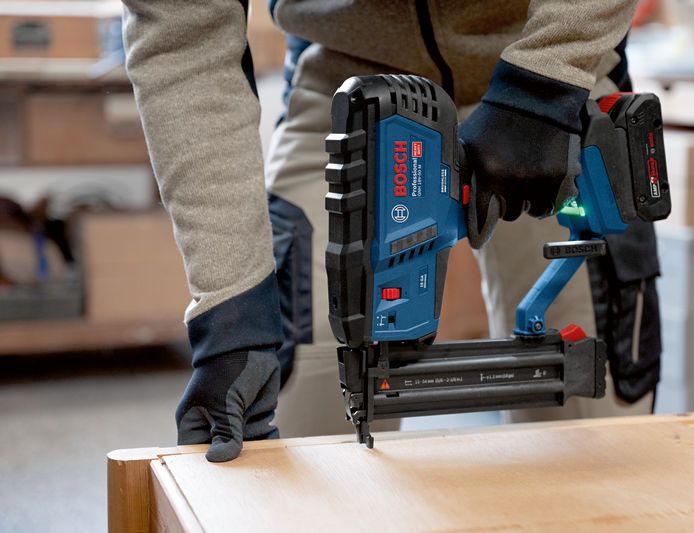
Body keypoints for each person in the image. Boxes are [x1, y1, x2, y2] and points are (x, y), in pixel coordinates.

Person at [122, 0, 662, 463]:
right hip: (346, 90)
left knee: (596, 443)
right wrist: (230, 305)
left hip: (556, 82)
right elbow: (182, 38)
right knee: (299, 429)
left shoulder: (553, 76)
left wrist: (549, 76)